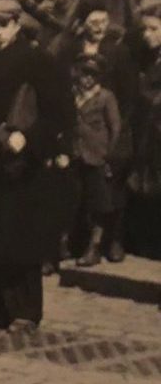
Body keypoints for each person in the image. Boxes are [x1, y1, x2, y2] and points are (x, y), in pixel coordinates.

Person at [0, 0, 71, 332]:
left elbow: (59, 114)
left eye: (2, 25)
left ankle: (25, 311)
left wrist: (29, 139)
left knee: (19, 237)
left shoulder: (39, 61)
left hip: (23, 163)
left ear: (16, 24)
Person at [69, 54, 122, 267]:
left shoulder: (105, 97)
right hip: (75, 153)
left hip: (96, 154)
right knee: (72, 200)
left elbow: (115, 126)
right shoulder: (73, 94)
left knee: (99, 203)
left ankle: (95, 247)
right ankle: (68, 244)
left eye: (93, 75)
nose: (87, 79)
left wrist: (108, 154)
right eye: (84, 74)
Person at [125, 1, 161, 260]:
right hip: (146, 132)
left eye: (153, 28)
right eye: (145, 29)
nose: (147, 34)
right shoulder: (144, 59)